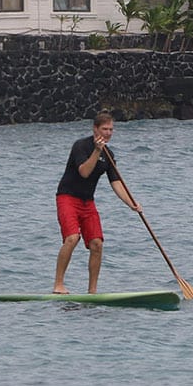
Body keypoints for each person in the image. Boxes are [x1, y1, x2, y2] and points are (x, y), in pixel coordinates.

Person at [53, 111, 141, 294]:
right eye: (104, 129)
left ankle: (92, 291)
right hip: (67, 197)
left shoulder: (109, 155)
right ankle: (58, 285)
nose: (108, 133)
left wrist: (131, 204)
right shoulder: (81, 146)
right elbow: (84, 172)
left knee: (97, 244)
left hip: (87, 202)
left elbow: (116, 183)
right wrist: (97, 151)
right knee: (72, 238)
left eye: (111, 129)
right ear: (95, 129)